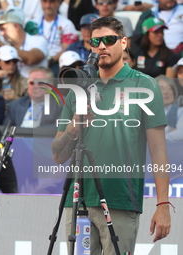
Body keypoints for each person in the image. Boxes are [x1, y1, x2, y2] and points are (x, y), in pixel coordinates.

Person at [51, 17, 171, 255]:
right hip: (77, 201)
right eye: (96, 41)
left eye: (109, 39)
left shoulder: (144, 85)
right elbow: (57, 155)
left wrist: (163, 204)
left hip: (121, 199)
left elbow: (158, 151)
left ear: (124, 43)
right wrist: (74, 126)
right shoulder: (78, 89)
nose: (102, 46)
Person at [0, 9, 49, 78]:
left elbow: (31, 59)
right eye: (0, 30)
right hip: (15, 87)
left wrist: (4, 47)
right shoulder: (8, 45)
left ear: (16, 26)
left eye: (4, 29)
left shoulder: (38, 40)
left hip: (37, 86)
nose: (1, 33)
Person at [36, 0, 78, 76]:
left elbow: (67, 49)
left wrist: (51, 60)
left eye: (51, 2)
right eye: (45, 1)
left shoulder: (67, 24)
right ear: (41, 2)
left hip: (55, 63)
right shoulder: (33, 23)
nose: (48, 5)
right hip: (36, 61)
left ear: (58, 2)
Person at [156, 75, 183, 142]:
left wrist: (159, 139)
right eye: (161, 89)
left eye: (169, 88)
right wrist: (169, 129)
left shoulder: (180, 111)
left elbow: (181, 133)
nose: (165, 92)